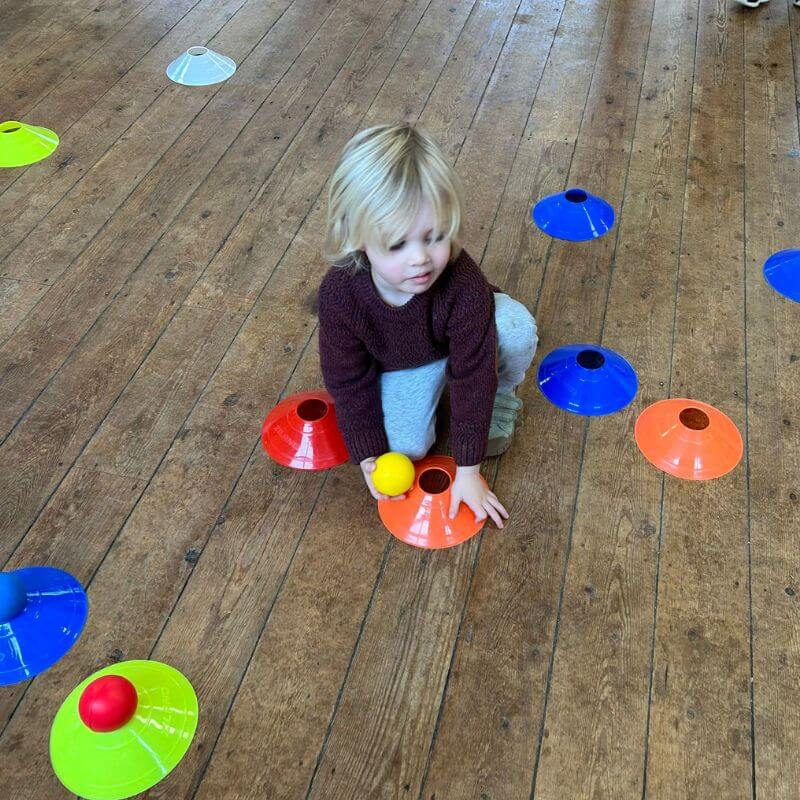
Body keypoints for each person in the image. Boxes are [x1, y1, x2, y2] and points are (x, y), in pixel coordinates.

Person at [318, 123, 538, 529]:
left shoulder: (464, 284)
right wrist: (368, 456)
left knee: (516, 327)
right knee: (404, 447)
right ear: (358, 238)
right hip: (403, 365)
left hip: (466, 341)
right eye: (398, 245)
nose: (421, 259)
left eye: (435, 237)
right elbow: (349, 381)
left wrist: (468, 471)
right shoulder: (339, 296)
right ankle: (434, 392)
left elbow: (473, 372)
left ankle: (502, 397)